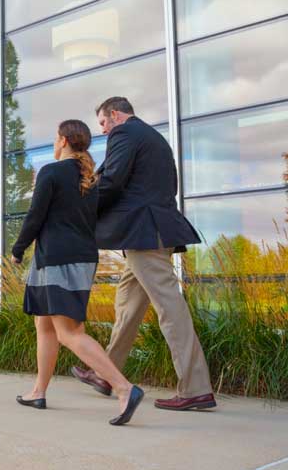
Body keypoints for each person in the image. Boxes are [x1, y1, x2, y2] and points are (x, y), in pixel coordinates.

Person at [71, 96, 216, 411]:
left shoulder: (125, 133)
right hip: (150, 231)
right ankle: (105, 373)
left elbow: (112, 182)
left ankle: (195, 388)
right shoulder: (152, 137)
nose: (104, 131)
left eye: (103, 124)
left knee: (169, 306)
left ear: (115, 114)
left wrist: (81, 208)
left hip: (144, 234)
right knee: (127, 303)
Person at [11, 120, 144, 426]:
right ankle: (38, 391)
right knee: (44, 325)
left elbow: (36, 216)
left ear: (63, 140)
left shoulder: (52, 172)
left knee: (70, 332)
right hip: (77, 258)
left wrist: (18, 249)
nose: (54, 143)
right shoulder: (89, 178)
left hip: (58, 259)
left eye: (55, 138)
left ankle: (124, 388)